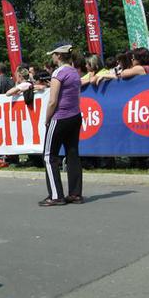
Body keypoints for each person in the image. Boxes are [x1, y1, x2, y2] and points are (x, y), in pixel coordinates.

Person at [40, 43, 83, 207]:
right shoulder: (74, 72)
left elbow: (53, 101)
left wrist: (47, 118)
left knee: (49, 155)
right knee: (72, 154)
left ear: (58, 55)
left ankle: (56, 195)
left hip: (60, 117)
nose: (52, 57)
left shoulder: (58, 73)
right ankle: (75, 194)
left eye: (53, 54)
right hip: (75, 116)